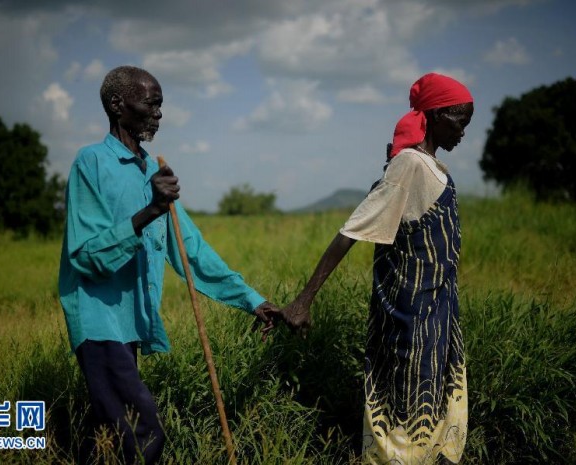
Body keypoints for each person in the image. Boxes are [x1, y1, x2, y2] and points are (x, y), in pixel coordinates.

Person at [58, 65, 280, 464]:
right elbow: (87, 257)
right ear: (117, 105)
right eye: (151, 103)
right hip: (99, 321)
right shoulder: (90, 163)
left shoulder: (151, 170)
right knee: (142, 431)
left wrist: (253, 301)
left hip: (130, 323)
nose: (158, 114)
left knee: (109, 435)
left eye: (161, 105)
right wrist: (151, 210)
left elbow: (191, 249)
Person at [281, 73, 474, 464]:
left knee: (437, 404)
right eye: (459, 120)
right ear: (435, 115)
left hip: (439, 312)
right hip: (410, 318)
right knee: (406, 407)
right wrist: (304, 299)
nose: (463, 131)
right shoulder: (410, 164)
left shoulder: (434, 169)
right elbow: (352, 230)